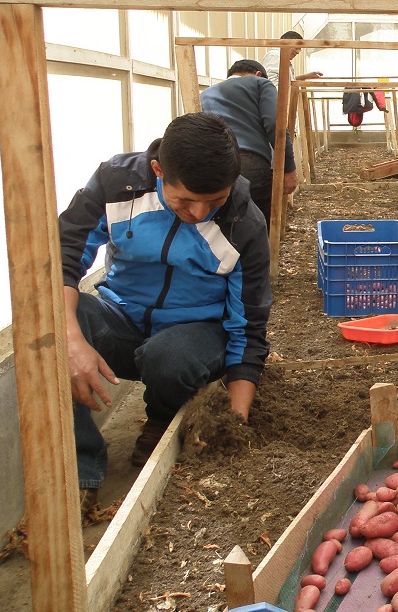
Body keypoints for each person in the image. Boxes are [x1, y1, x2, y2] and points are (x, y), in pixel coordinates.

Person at [60, 113, 270, 515]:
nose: (199, 212)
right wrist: (70, 341)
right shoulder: (116, 185)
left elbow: (249, 326)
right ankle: (79, 473)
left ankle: (160, 418)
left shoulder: (243, 223)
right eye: (185, 200)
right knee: (56, 322)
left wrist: (234, 421)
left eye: (215, 201)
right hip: (120, 319)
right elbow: (62, 256)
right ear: (158, 171)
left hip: (194, 334)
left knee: (169, 357)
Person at [198, 59, 297, 227]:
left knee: (223, 227)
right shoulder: (260, 84)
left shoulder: (206, 94)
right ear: (258, 74)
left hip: (213, 165)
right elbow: (275, 124)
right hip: (250, 164)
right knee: (256, 226)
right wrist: (289, 169)